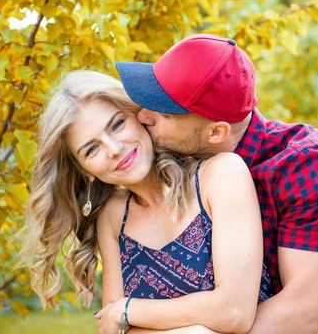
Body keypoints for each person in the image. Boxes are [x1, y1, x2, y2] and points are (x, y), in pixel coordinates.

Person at [110, 34, 318, 333]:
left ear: (216, 132)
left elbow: (301, 313)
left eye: (163, 113)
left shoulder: (308, 166)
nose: (143, 117)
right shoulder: (175, 165)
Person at [19, 70, 273, 334]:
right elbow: (114, 329)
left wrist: (128, 310)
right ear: (85, 170)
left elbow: (234, 312)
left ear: (140, 116)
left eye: (117, 125)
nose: (114, 149)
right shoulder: (114, 217)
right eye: (92, 149)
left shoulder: (219, 175)